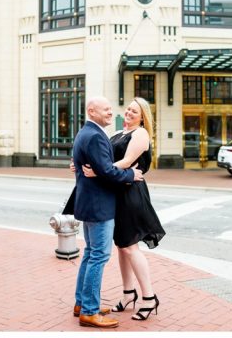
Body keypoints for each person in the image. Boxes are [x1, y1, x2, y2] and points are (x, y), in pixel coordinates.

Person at [79, 97, 164, 321]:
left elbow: (126, 162)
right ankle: (128, 293)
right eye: (128, 108)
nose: (128, 113)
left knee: (130, 247)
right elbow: (100, 156)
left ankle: (149, 297)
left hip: (131, 193)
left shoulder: (141, 134)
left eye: (134, 111)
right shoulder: (118, 133)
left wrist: (98, 171)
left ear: (143, 116)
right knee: (122, 246)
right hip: (117, 192)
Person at [69, 96, 143, 329]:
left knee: (91, 254)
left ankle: (82, 304)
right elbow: (108, 172)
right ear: (92, 111)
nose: (112, 113)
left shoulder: (86, 133)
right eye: (106, 110)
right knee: (98, 256)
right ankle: (89, 311)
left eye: (112, 109)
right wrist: (132, 175)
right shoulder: (94, 135)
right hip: (99, 205)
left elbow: (98, 168)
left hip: (90, 203)